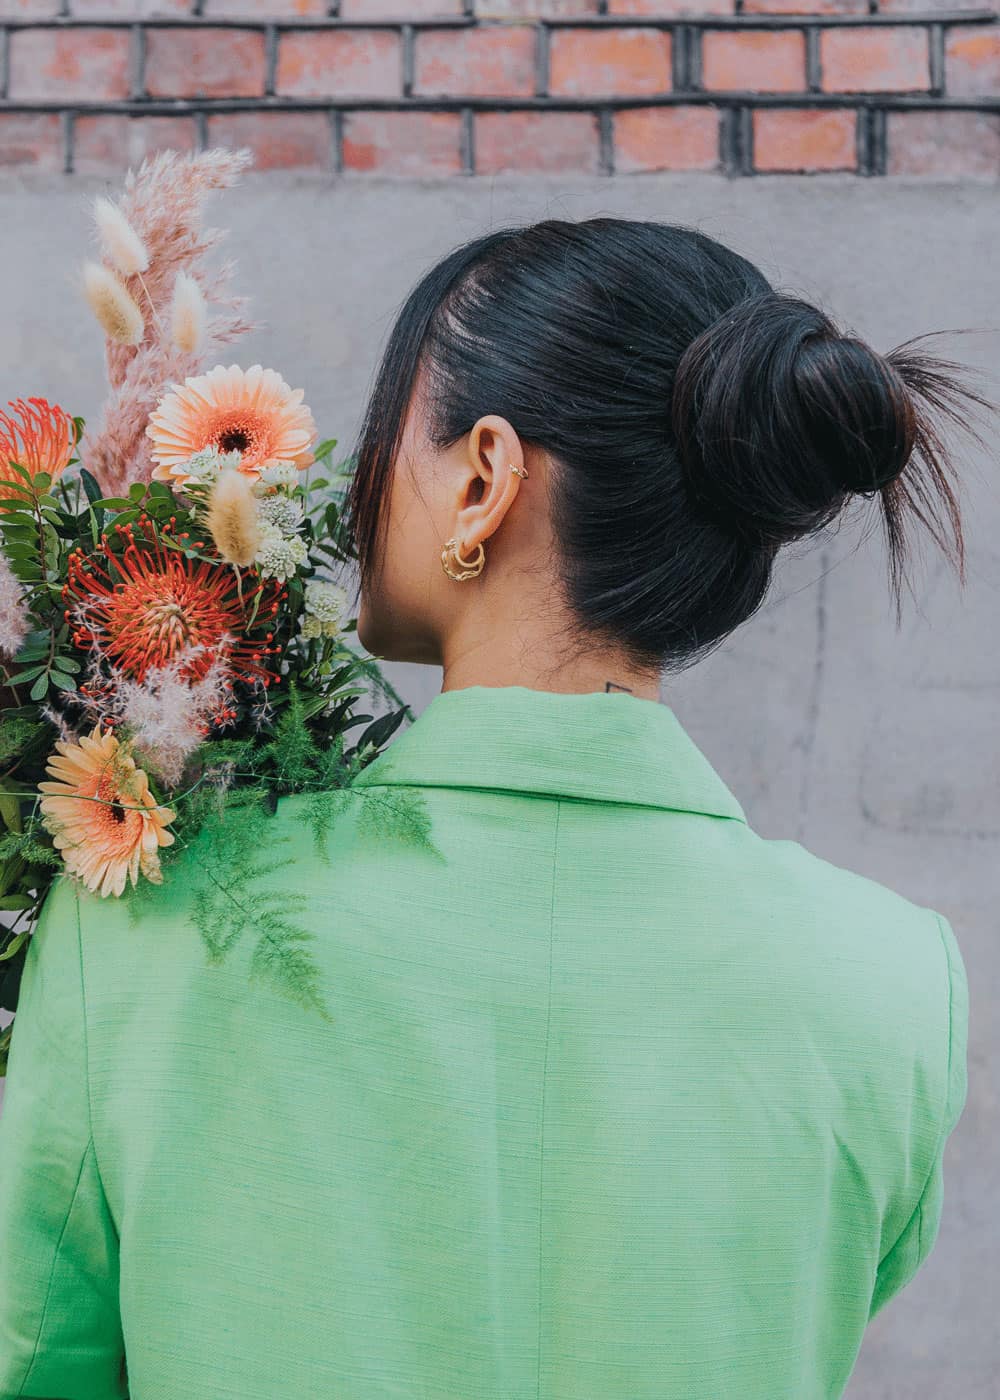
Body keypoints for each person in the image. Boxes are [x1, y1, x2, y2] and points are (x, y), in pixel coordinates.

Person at [0, 217, 984, 1399]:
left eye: (385, 433)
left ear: (481, 480)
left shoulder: (139, 929)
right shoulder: (887, 982)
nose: (356, 479)